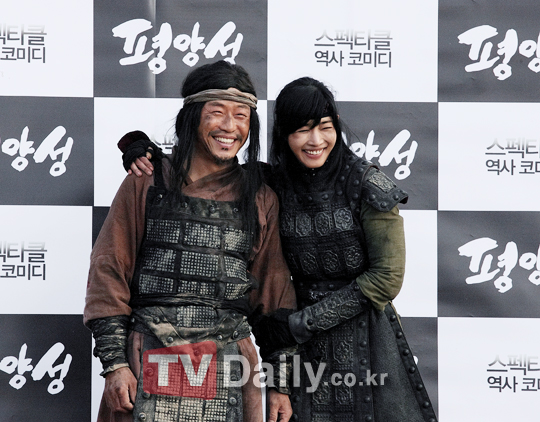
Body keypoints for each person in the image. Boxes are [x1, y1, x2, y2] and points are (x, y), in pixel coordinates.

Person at [123, 77, 438, 421]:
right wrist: (145, 151)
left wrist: (303, 322)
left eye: (325, 128)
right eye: (302, 130)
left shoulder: (367, 185)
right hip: (298, 346)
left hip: (364, 338)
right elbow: (209, 172)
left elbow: (386, 278)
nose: (315, 141)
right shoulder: (272, 181)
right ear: (284, 135)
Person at [84, 60, 297, 422]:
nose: (230, 126)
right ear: (193, 116)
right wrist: (115, 364)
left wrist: (280, 383)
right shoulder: (147, 180)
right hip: (148, 356)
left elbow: (274, 298)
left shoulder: (261, 198)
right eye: (217, 112)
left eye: (241, 116)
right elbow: (108, 271)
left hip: (229, 364)